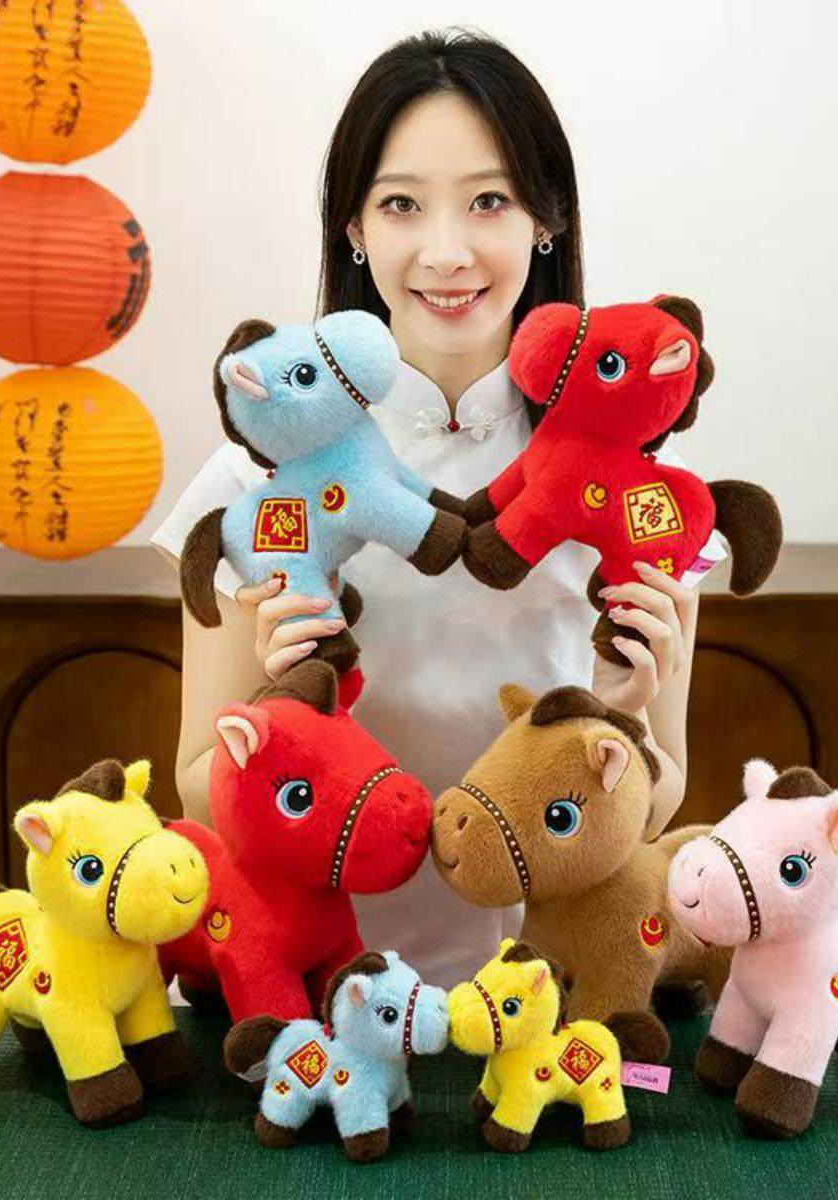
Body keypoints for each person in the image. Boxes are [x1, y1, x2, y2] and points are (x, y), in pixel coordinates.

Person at [152, 29, 704, 989]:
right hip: (319, 994)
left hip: (543, 1001)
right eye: (401, 204)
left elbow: (662, 801)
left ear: (546, 220)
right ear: (354, 230)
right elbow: (199, 785)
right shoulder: (258, 478)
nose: (447, 252)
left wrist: (625, 718)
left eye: (489, 201)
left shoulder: (643, 487)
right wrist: (278, 710)